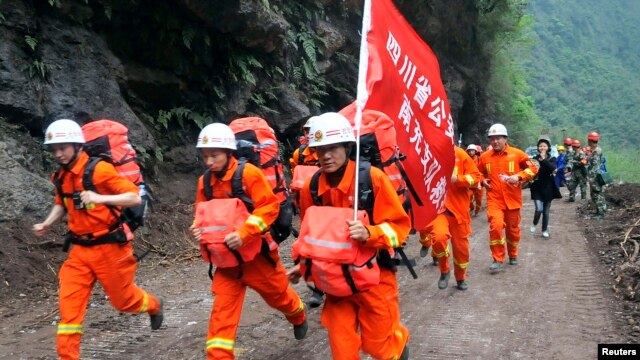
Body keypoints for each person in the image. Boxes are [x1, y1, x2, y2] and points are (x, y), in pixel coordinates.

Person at [32, 119, 163, 360]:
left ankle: (154, 305)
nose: (58, 154)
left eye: (63, 148)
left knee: (125, 302)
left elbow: (133, 198)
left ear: (77, 145)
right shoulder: (60, 176)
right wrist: (47, 223)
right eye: (54, 149)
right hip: (79, 252)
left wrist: (99, 198)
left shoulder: (99, 170)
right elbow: (62, 203)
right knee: (69, 311)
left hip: (111, 248)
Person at [288, 112, 410, 360]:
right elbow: (312, 236)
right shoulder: (312, 187)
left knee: (379, 349)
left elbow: (399, 227)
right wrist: (302, 265)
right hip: (336, 284)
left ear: (347, 147)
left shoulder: (371, 179)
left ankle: (398, 341)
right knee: (342, 352)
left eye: (332, 148)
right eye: (320, 150)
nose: (326, 156)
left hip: (375, 280)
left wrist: (370, 232)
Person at [191, 123, 307, 359]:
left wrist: (244, 234)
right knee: (221, 317)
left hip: (258, 258)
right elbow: (201, 213)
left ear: (228, 151)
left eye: (214, 155)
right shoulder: (205, 182)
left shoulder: (249, 174)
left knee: (279, 296)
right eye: (205, 156)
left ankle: (297, 314)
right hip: (226, 263)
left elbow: (269, 206)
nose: (209, 161)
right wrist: (197, 229)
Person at [478, 123, 538, 273]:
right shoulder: (485, 157)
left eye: (498, 138)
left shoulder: (518, 154)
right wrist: (482, 180)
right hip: (494, 200)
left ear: (505, 139)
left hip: (513, 200)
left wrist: (519, 176)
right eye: (492, 138)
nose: (495, 141)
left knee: (513, 230)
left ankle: (513, 254)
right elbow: (477, 173)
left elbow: (533, 168)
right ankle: (497, 259)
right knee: (496, 227)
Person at [421, 146, 482, 290]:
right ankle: (444, 270)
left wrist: (458, 179)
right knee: (439, 238)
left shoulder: (461, 155)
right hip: (437, 209)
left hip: (458, 210)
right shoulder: (425, 153)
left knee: (461, 250)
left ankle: (461, 277)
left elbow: (475, 177)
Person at [529, 136, 562, 238]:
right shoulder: (534, 159)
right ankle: (535, 223)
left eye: (544, 146)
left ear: (548, 147)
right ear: (538, 148)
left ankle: (544, 230)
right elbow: (531, 170)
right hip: (537, 186)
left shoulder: (552, 159)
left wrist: (543, 159)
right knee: (539, 209)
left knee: (546, 211)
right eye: (540, 146)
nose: (542, 148)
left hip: (548, 187)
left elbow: (553, 168)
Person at [586, 131, 608, 219]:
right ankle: (600, 211)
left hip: (595, 177)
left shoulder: (596, 152)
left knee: (596, 194)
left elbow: (595, 166)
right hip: (596, 175)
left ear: (590, 141)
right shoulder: (596, 150)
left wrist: (591, 178)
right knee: (597, 193)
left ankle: (600, 214)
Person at [466, 144, 484, 217]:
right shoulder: (466, 159)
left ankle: (477, 210)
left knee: (478, 200)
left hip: (478, 183)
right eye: (469, 151)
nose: (471, 152)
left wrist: (480, 183)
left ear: (475, 151)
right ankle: (471, 207)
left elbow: (481, 172)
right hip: (470, 183)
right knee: (468, 197)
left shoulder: (479, 159)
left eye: (472, 151)